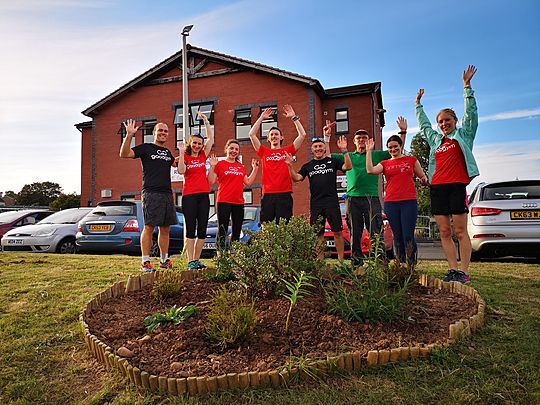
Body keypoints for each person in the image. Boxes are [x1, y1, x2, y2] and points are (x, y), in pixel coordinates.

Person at [415, 65, 479, 284]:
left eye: (447, 120)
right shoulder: (436, 141)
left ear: (455, 121)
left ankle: (463, 271)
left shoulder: (463, 135)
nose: (443, 124)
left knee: (460, 231)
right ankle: (452, 269)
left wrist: (467, 87)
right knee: (444, 231)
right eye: (440, 122)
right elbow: (424, 127)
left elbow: (471, 115)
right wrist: (418, 106)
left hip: (456, 186)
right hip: (438, 187)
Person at [328, 119, 407, 265]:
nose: (362, 140)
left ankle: (380, 261)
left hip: (372, 198)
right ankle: (357, 262)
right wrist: (327, 138)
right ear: (354, 141)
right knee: (355, 231)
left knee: (375, 230)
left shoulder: (376, 155)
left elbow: (397, 149)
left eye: (364, 138)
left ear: (368, 141)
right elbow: (327, 156)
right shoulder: (348, 156)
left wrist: (402, 132)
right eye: (359, 138)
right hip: (352, 199)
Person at [285, 128, 352, 260]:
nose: (318, 149)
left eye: (320, 146)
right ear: (312, 149)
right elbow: (297, 178)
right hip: (316, 204)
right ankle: (319, 262)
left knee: (338, 232)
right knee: (318, 234)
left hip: (332, 203)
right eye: (315, 147)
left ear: (324, 148)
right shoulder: (308, 165)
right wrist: (290, 166)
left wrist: (344, 151)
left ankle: (341, 261)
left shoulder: (332, 162)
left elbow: (348, 167)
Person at [120, 119, 177, 272]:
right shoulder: (146, 148)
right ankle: (145, 261)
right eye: (160, 130)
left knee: (165, 228)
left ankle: (164, 260)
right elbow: (124, 154)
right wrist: (129, 135)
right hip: (151, 192)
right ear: (154, 133)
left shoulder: (167, 153)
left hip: (166, 193)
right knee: (149, 227)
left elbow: (177, 164)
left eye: (165, 131)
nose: (163, 133)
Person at [366, 128, 428, 265]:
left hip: (409, 202)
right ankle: (401, 264)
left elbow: (422, 175)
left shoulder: (411, 160)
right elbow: (370, 170)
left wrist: (424, 179)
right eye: (390, 147)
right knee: (397, 235)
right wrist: (369, 151)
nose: (393, 149)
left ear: (400, 146)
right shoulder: (385, 163)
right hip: (391, 203)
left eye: (395, 146)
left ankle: (411, 264)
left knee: (408, 235)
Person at [248, 105, 306, 224]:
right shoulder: (264, 151)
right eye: (271, 135)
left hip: (284, 194)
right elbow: (251, 134)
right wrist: (261, 118)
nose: (274, 136)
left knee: (285, 227)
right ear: (268, 139)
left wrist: (294, 117)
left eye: (276, 134)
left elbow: (302, 135)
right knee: (266, 227)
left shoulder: (288, 150)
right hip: (268, 194)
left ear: (281, 137)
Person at [176, 112, 214, 270]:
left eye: (200, 143)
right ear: (190, 144)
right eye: (195, 143)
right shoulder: (186, 157)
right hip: (189, 196)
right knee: (190, 229)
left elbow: (211, 139)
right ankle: (190, 260)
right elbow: (181, 170)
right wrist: (181, 152)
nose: (198, 146)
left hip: (204, 196)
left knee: (203, 229)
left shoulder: (204, 155)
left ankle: (196, 259)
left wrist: (206, 121)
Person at [207, 140, 259, 249]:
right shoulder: (220, 164)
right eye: (231, 148)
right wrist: (212, 166)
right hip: (223, 201)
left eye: (236, 149)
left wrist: (255, 169)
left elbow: (248, 182)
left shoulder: (240, 167)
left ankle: (233, 254)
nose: (233, 151)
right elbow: (211, 181)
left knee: (237, 229)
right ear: (226, 149)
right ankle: (221, 254)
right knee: (223, 229)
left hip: (238, 202)